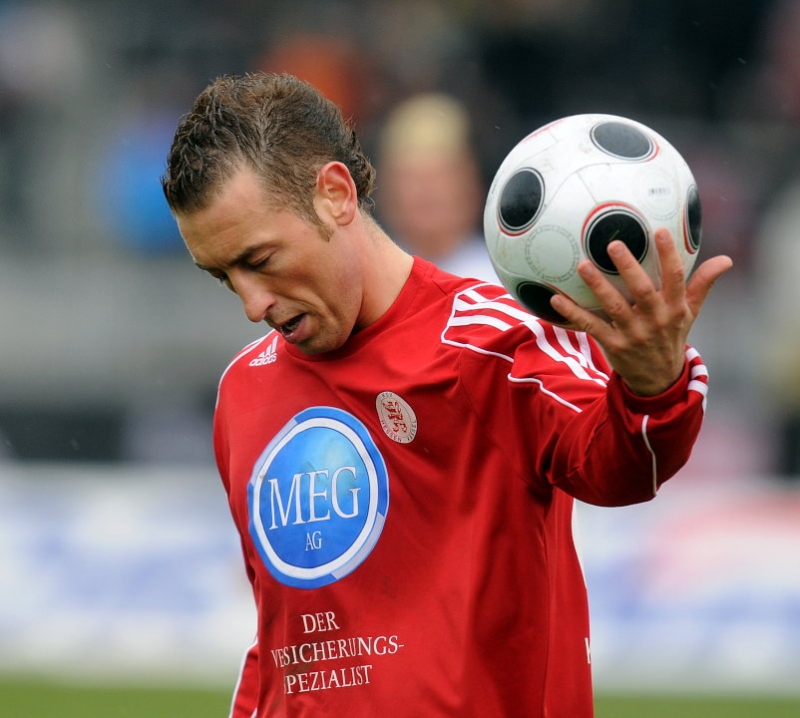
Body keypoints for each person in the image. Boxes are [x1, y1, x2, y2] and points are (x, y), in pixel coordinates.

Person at [161, 72, 732, 717]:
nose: (250, 303)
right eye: (222, 276)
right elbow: (282, 640)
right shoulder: (245, 389)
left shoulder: (492, 344)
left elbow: (619, 469)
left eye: (259, 260)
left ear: (334, 195)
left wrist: (653, 386)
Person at [374, 92, 497, 282]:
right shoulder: (368, 283)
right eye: (411, 177)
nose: (427, 191)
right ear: (386, 192)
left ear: (472, 185)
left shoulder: (506, 285)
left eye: (441, 175)